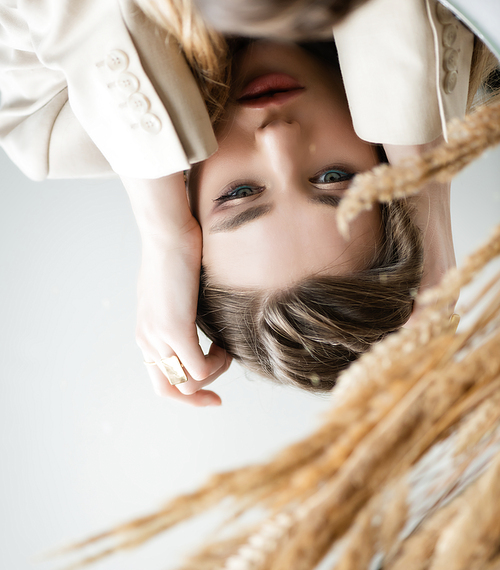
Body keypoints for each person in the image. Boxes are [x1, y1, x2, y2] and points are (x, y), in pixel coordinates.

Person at [0, 0, 487, 398]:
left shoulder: (45, 126)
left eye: (239, 194)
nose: (277, 139)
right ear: (384, 170)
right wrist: (423, 188)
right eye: (334, 177)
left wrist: (165, 231)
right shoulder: (467, 66)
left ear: (189, 206)